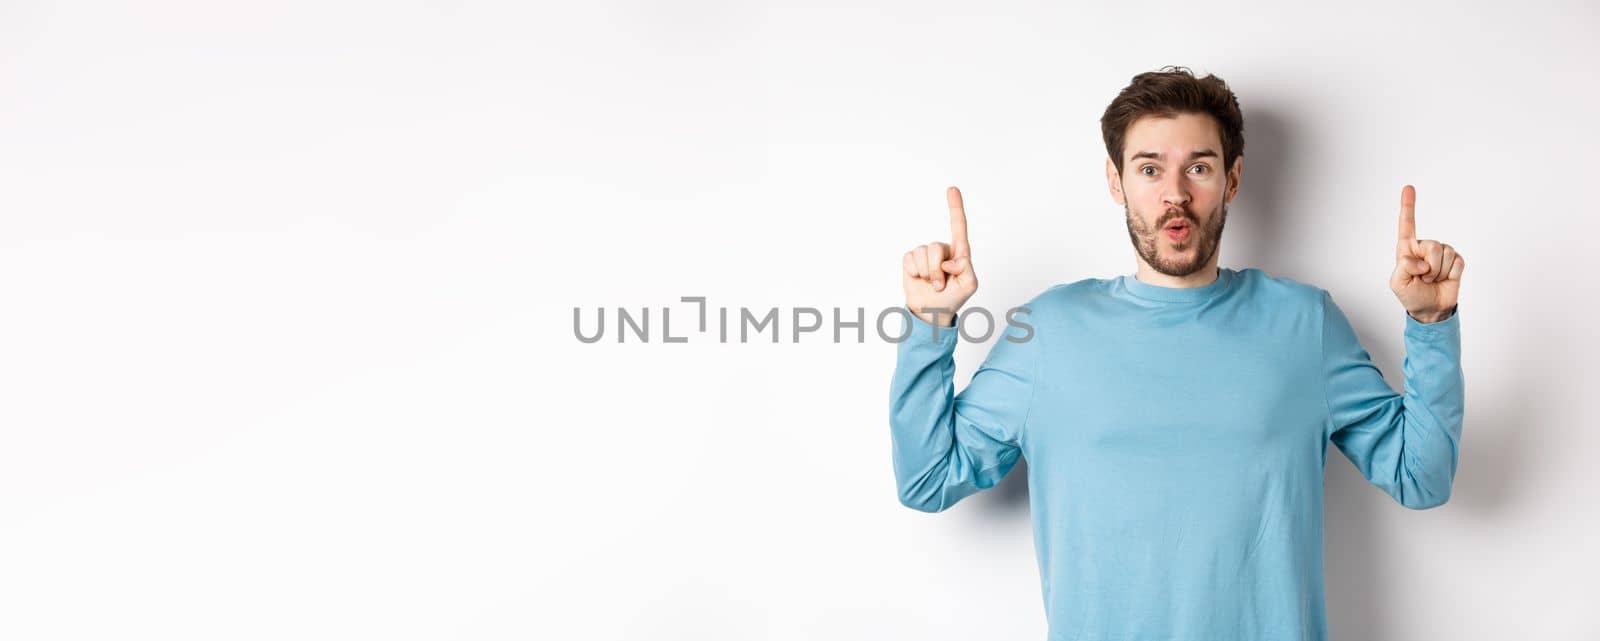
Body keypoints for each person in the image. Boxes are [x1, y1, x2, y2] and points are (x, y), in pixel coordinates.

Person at [888, 66, 1465, 641]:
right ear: (1117, 183)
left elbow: (1421, 478)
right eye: (1149, 169)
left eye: (1198, 167)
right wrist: (929, 325)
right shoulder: (1050, 330)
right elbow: (929, 478)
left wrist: (1431, 322)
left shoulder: (1303, 323)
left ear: (1232, 179)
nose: (1175, 194)